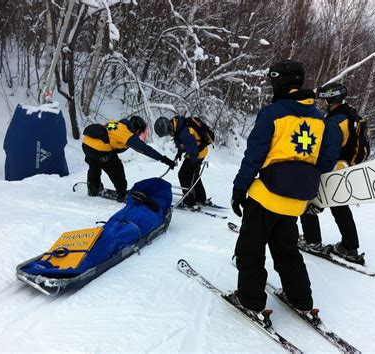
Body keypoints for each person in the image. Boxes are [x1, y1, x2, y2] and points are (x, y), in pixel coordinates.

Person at [229, 59, 340, 319]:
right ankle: (301, 300)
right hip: (295, 201)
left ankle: (251, 301)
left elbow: (254, 155)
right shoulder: (320, 118)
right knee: (287, 251)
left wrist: (239, 188)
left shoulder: (273, 113)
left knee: (250, 250)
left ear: (279, 81)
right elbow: (326, 160)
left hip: (266, 196)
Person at [299, 83, 363, 262]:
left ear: (330, 99)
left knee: (308, 203)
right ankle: (349, 246)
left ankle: (312, 242)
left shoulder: (336, 121)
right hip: (345, 168)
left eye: (324, 99)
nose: (322, 103)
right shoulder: (350, 114)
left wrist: (317, 174)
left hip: (333, 169)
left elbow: (329, 152)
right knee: (340, 206)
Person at [82, 115, 176, 202]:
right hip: (100, 149)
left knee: (94, 166)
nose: (138, 135)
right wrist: (163, 158)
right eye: (140, 133)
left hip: (86, 144)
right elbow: (144, 149)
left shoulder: (117, 123)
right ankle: (122, 194)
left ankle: (93, 188)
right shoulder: (127, 133)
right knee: (116, 168)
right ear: (137, 129)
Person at [154, 115, 211, 210]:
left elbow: (192, 147)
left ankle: (189, 203)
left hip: (197, 153)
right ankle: (201, 198)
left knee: (184, 174)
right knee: (194, 175)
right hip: (197, 151)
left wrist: (194, 162)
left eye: (167, 133)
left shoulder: (184, 132)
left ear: (168, 127)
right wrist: (179, 152)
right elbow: (182, 141)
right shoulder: (176, 124)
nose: (168, 134)